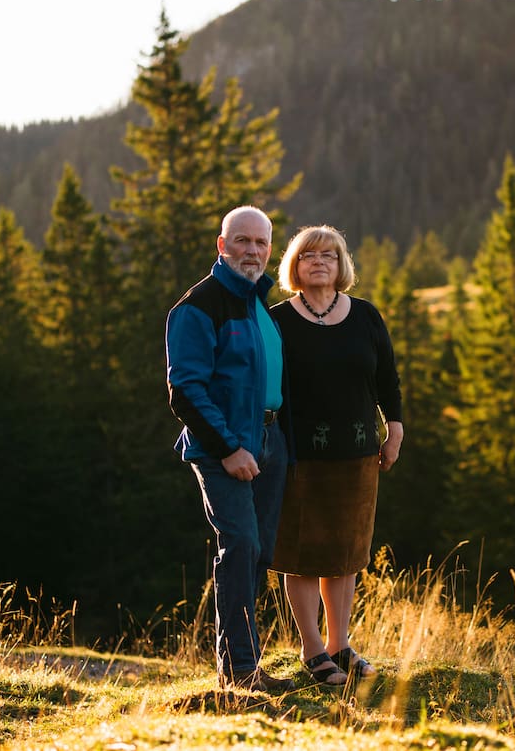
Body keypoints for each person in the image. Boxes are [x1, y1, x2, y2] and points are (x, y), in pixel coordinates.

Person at [165, 205, 293, 693]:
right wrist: (229, 449)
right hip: (226, 448)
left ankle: (245, 661)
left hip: (270, 442)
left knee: (258, 553)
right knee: (239, 545)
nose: (254, 251)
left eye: (262, 243)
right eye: (243, 241)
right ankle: (239, 671)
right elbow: (186, 390)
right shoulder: (199, 305)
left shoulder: (258, 304)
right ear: (222, 245)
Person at [270, 225, 404, 686]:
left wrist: (396, 428)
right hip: (299, 456)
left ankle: (339, 645)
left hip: (360, 453)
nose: (320, 261)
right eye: (309, 255)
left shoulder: (366, 315)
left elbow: (387, 378)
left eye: (330, 254)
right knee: (303, 552)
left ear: (342, 263)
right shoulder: (278, 320)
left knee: (346, 553)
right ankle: (312, 652)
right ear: (295, 266)